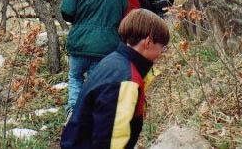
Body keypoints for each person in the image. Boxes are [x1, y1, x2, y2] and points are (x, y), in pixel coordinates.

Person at [61, 9, 170, 149]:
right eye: (163, 47)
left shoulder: (114, 60)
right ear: (148, 42)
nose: (162, 53)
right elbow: (112, 140)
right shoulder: (127, 81)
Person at [60, 0, 127, 117]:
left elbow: (66, 12)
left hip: (80, 41)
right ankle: (94, 115)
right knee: (97, 81)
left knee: (75, 78)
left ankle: (73, 112)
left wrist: (80, 20)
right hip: (106, 44)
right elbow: (123, 11)